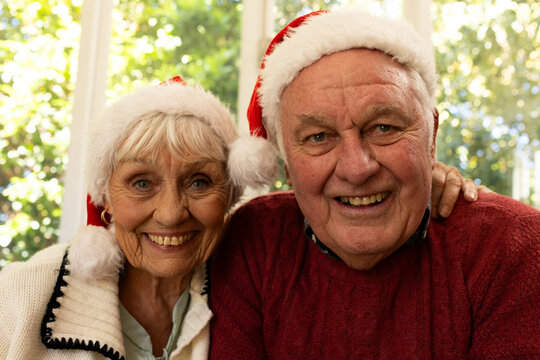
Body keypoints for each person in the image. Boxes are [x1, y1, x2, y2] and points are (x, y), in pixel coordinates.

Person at [209, 9, 540, 359]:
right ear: (287, 165)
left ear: (431, 139)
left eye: (384, 128)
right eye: (319, 136)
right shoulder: (255, 242)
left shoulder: (511, 248)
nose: (357, 168)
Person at [0, 76, 278, 359]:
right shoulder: (20, 295)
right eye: (142, 183)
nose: (171, 214)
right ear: (106, 198)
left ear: (229, 195)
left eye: (199, 182)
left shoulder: (251, 293)